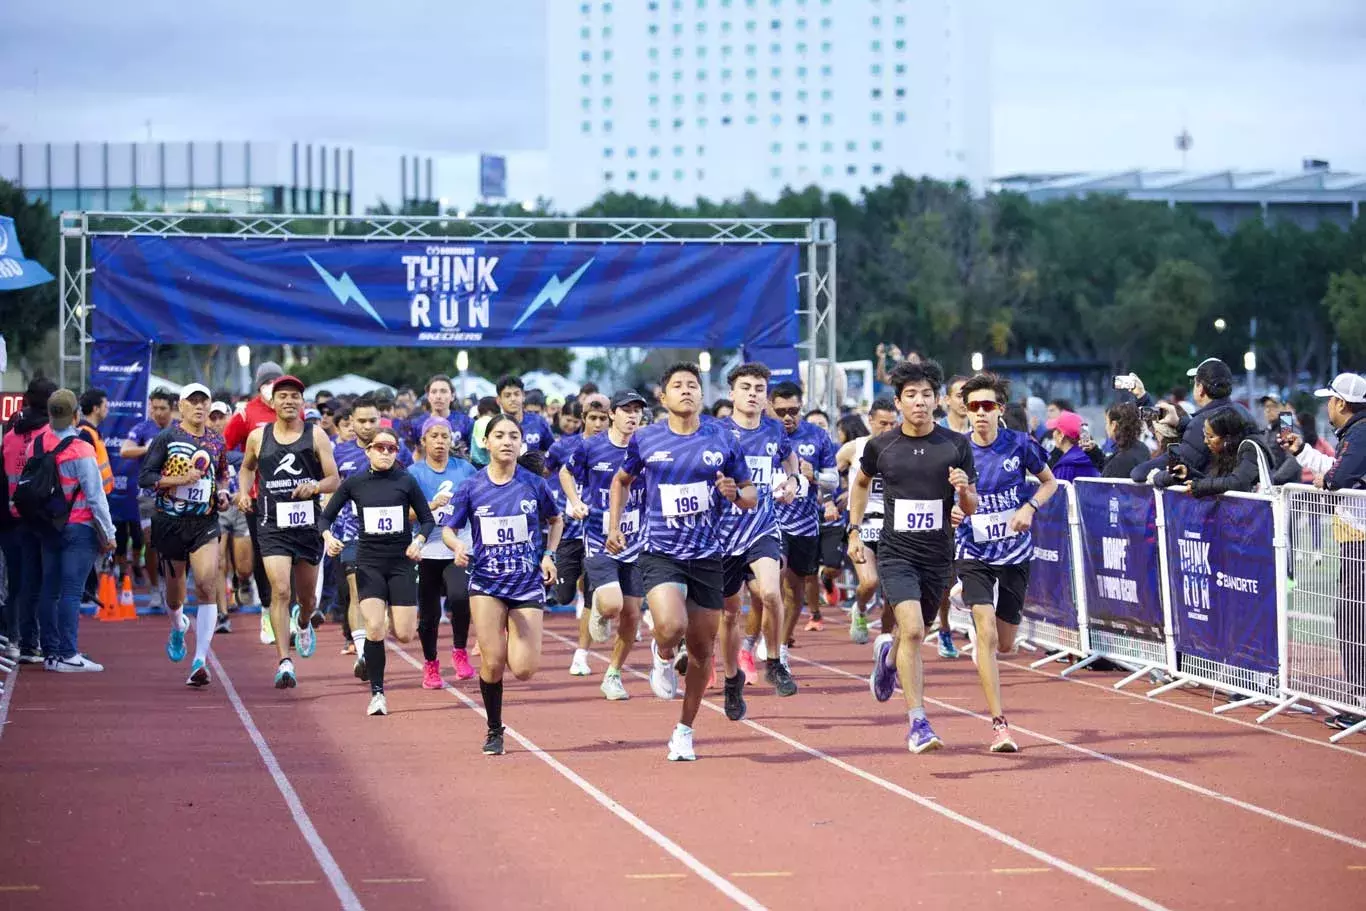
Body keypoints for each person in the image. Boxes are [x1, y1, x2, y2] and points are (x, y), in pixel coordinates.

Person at [608, 362, 756, 761]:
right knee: (671, 624)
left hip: (708, 554)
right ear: (664, 397)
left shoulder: (722, 439)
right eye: (678, 385)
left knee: (704, 651)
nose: (687, 391)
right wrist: (614, 525)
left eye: (693, 385)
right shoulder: (645, 439)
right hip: (661, 551)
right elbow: (621, 480)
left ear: (701, 395)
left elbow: (750, 494)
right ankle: (660, 654)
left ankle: (684, 730)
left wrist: (734, 493)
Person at [848, 359, 977, 754]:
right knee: (917, 632)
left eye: (926, 395)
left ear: (937, 400)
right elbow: (861, 483)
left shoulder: (955, 445)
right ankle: (918, 723)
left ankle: (887, 659)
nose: (919, 402)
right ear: (899, 403)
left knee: (907, 634)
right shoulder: (881, 446)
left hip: (938, 554)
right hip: (896, 553)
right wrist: (854, 530)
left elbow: (971, 505)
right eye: (911, 396)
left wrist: (962, 492)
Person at [441, 415, 563, 755]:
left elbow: (556, 520)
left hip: (526, 584)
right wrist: (457, 546)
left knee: (524, 670)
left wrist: (549, 554)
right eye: (499, 435)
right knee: (493, 663)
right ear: (487, 443)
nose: (507, 441)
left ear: (521, 443)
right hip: (487, 583)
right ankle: (494, 729)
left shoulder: (533, 484)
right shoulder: (472, 486)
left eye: (513, 436)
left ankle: (510, 632)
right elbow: (450, 528)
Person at [952, 373, 1057, 752]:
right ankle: (1000, 724)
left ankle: (968, 601)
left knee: (1007, 644)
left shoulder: (1020, 445)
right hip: (973, 552)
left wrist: (1029, 507)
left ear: (1000, 410)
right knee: (987, 635)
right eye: (973, 406)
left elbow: (1050, 483)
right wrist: (955, 508)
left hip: (1014, 552)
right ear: (965, 410)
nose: (980, 413)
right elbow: (950, 499)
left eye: (988, 406)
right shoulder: (956, 449)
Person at [236, 375, 340, 689]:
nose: (289, 401)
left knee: (307, 599)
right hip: (272, 524)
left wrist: (315, 486)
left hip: (307, 525)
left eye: (295, 396)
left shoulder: (316, 434)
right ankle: (284, 661)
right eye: (283, 396)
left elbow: (334, 479)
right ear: (272, 401)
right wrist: (243, 492)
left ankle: (305, 622)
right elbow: (247, 467)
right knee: (280, 590)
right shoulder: (258, 436)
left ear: (302, 402)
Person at [321, 427, 434, 716]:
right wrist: (329, 538)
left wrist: (418, 541)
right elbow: (325, 517)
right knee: (374, 628)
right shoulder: (355, 483)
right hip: (368, 561)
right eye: (380, 447)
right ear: (368, 450)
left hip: (401, 563)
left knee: (406, 634)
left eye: (391, 449)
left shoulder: (406, 481)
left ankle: (388, 614)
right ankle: (378, 694)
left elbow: (427, 520)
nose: (386, 453)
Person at [1283, 373, 1366, 732]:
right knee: (1349, 617)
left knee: (1352, 618)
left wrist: (1327, 481)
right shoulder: (1355, 433)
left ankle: (1361, 701)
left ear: (1342, 404)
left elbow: (1339, 477)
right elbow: (1336, 472)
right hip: (1354, 541)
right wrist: (1303, 452)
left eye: (1330, 399)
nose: (1327, 406)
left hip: (1361, 542)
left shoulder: (1360, 433)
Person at [717, 363, 801, 718]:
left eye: (759, 388)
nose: (753, 393)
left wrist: (793, 482)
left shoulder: (774, 431)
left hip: (762, 526)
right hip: (721, 534)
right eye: (746, 387)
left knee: (770, 593)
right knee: (729, 612)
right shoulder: (716, 432)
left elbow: (789, 459)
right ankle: (731, 679)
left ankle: (775, 660)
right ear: (732, 393)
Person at [138, 384, 231, 687]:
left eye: (204, 401)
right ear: (182, 406)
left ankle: (199, 661)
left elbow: (220, 475)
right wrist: (180, 479)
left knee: (206, 582)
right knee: (175, 592)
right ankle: (178, 625)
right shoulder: (167, 437)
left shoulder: (217, 440)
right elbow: (146, 477)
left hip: (204, 522)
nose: (199, 407)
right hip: (170, 522)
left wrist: (224, 493)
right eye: (193, 402)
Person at [563, 390, 649, 701]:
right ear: (613, 414)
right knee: (613, 604)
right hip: (599, 537)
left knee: (632, 615)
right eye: (626, 409)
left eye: (637, 410)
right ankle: (599, 608)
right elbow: (565, 472)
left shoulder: (648, 446)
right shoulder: (591, 446)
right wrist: (574, 501)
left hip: (637, 540)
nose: (632, 416)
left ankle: (613, 674)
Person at [31, 389, 117, 672]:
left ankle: (51, 654)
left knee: (49, 591)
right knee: (71, 591)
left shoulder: (38, 442)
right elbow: (95, 496)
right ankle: (68, 654)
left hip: (48, 525)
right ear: (76, 415)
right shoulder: (81, 448)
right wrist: (109, 533)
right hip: (78, 527)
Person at [407, 417, 477, 688]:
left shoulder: (466, 469)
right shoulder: (414, 473)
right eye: (434, 436)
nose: (439, 441)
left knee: (460, 597)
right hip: (427, 548)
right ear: (423, 441)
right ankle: (431, 664)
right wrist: (430, 505)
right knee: (429, 614)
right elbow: (407, 514)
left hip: (458, 544)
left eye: (444, 436)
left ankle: (460, 651)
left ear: (451, 440)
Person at [769, 381, 838, 655]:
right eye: (781, 411)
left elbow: (833, 480)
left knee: (794, 590)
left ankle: (782, 645)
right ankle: (763, 639)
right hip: (769, 522)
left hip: (805, 524)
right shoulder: (761, 436)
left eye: (794, 410)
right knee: (771, 584)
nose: (788, 416)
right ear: (770, 409)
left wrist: (815, 476)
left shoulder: (818, 436)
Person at [223, 361, 283, 642]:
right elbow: (223, 448)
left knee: (289, 556)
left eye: (277, 382)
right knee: (263, 555)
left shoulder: (292, 408)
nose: (274, 388)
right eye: (268, 383)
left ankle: (289, 614)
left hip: (289, 497)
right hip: (258, 498)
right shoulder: (247, 412)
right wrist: (247, 462)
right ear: (260, 387)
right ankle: (267, 613)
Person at [552, 395, 609, 673]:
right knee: (562, 596)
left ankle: (581, 655)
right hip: (569, 532)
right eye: (593, 418)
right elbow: (550, 473)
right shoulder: (565, 447)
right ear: (583, 418)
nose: (598, 424)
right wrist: (568, 501)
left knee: (592, 591)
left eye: (603, 418)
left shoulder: (618, 447)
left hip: (599, 533)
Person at [2, 377, 57, 664]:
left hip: (11, 515)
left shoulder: (9, 434)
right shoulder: (49, 434)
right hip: (41, 517)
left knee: (18, 582)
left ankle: (17, 641)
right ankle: (41, 644)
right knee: (44, 583)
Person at [835, 399, 899, 644]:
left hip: (894, 525)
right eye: (882, 423)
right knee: (870, 582)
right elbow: (830, 473)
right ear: (870, 421)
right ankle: (860, 609)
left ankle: (884, 638)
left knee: (893, 592)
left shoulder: (902, 447)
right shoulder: (855, 448)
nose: (888, 428)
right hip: (863, 525)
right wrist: (835, 496)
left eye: (893, 423)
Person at [1129, 358, 1252, 482]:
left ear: (1201, 388)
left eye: (1194, 382)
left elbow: (1173, 469)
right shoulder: (1243, 411)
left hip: (1211, 499)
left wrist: (1151, 475)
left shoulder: (1202, 422)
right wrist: (1178, 422)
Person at [120, 387, 177, 613]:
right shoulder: (142, 428)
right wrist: (147, 448)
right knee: (151, 543)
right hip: (148, 495)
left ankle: (172, 587)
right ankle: (155, 588)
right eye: (154, 408)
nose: (158, 412)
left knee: (173, 546)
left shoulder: (180, 429)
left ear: (171, 408)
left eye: (163, 408)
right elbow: (125, 450)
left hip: (176, 495)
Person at [1153, 409, 1271, 497]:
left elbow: (1237, 483)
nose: (1205, 441)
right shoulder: (1225, 452)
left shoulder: (1249, 448)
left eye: (1210, 436)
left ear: (1227, 438)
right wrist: (1189, 473)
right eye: (1205, 435)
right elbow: (1217, 482)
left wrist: (1199, 487)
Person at [210, 400, 253, 628]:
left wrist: (242, 494)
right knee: (218, 562)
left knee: (245, 567)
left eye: (221, 417)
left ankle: (242, 582)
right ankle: (222, 614)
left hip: (242, 507)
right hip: (217, 509)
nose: (217, 422)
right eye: (213, 417)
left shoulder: (243, 441)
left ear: (230, 418)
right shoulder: (206, 445)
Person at [496, 375, 554, 453]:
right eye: (507, 395)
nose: (513, 399)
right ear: (498, 400)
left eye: (516, 394)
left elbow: (552, 452)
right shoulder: (494, 425)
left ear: (523, 396)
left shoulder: (539, 422)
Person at [1096, 403, 1151, 479]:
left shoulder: (1119, 461)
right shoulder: (1142, 448)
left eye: (1107, 422)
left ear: (1114, 425)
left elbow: (1104, 486)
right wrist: (1093, 451)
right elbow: (1106, 464)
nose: (1106, 427)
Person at [1046, 411, 1101, 482]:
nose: (1053, 434)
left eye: (1054, 430)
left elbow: (1057, 492)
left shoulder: (1064, 466)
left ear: (1061, 435)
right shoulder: (1093, 457)